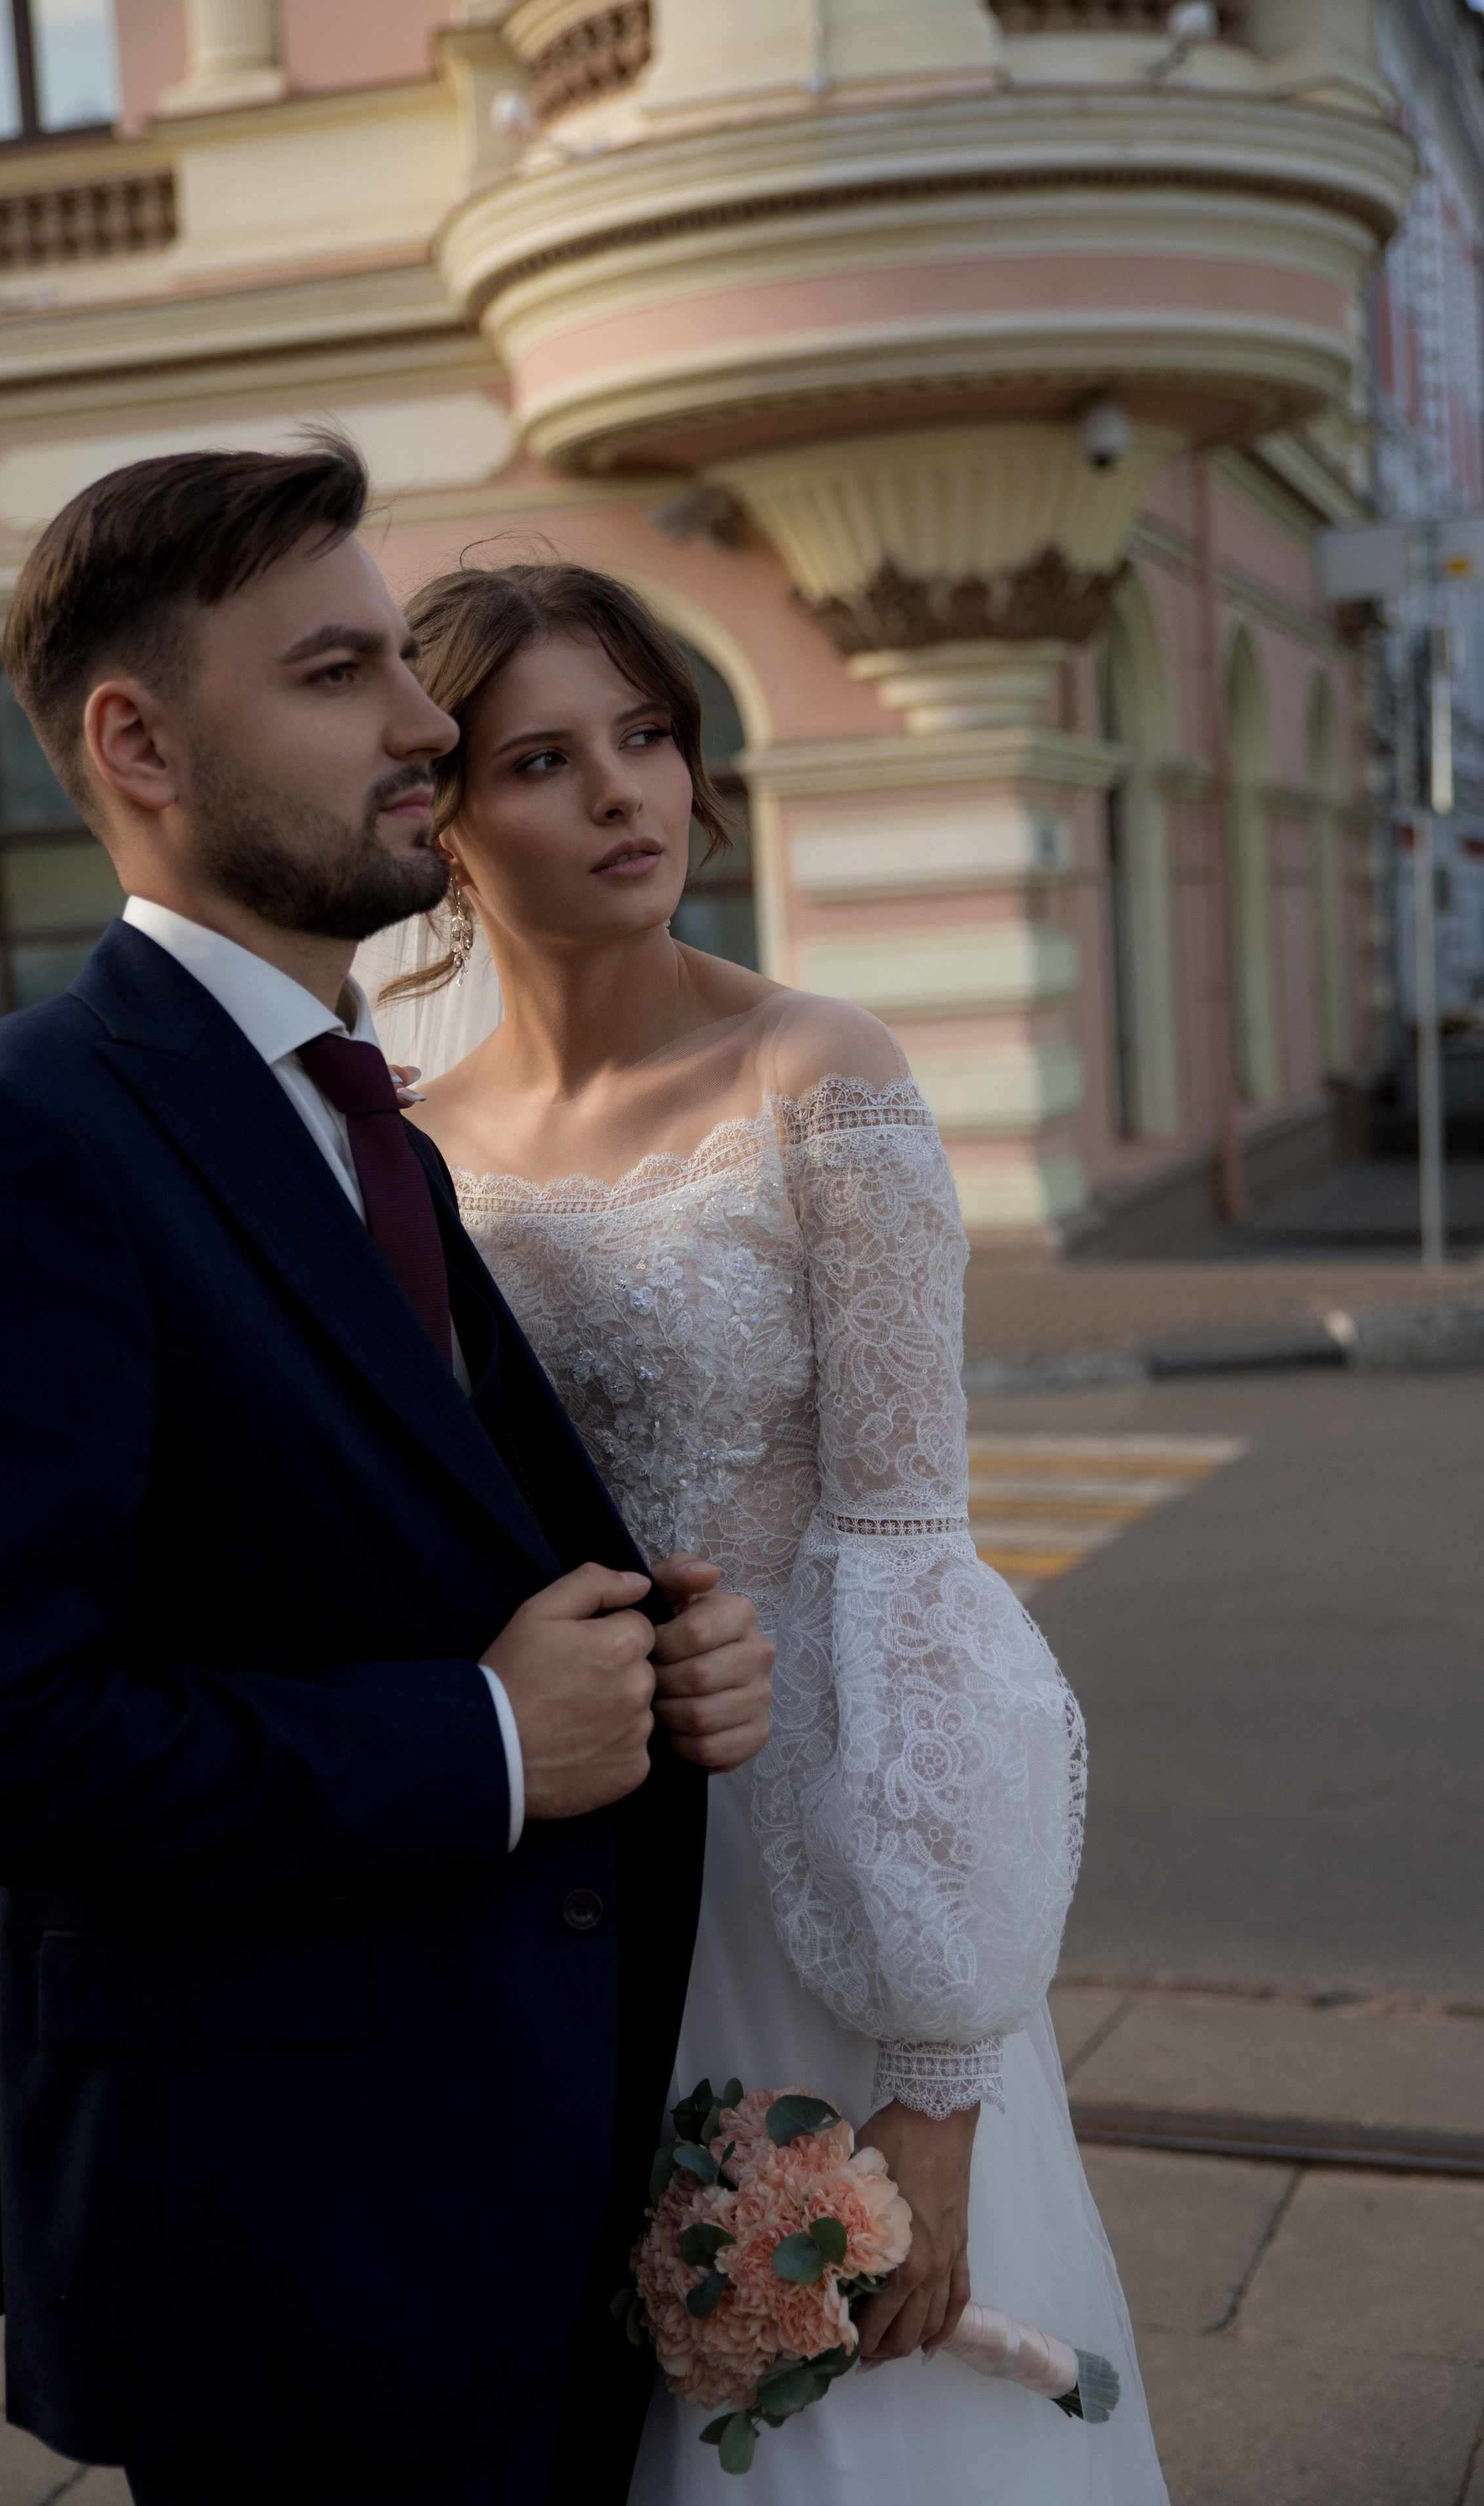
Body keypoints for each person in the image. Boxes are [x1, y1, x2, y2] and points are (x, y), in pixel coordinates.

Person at [0, 444, 775, 2506]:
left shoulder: (367, 1129)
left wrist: (668, 1672)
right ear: (140, 741)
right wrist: (489, 1744)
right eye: (343, 674)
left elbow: (423, 1554)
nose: (431, 722)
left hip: (500, 2187)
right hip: (284, 2247)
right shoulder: (16, 1142)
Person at [360, 561, 1171, 2503]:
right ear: (446, 819)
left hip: (825, 1854)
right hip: (555, 1845)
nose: (625, 793)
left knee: (857, 2407)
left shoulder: (824, 1074)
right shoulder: (409, 1141)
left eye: (647, 736)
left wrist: (941, 2073)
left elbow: (912, 1566)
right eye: (544, 759)